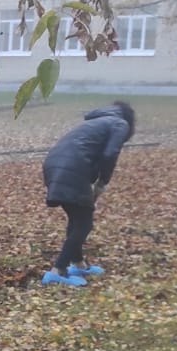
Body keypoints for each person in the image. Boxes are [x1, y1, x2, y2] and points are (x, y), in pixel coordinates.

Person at [40, 101, 136, 287]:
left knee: (77, 218)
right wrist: (102, 183)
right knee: (84, 223)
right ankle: (57, 271)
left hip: (53, 164)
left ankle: (78, 264)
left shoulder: (97, 121)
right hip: (72, 167)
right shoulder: (119, 123)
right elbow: (110, 154)